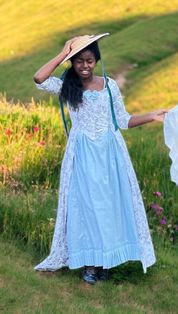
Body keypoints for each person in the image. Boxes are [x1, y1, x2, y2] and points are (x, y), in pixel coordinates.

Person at [33, 33, 168, 284]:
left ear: (97, 61)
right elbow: (39, 79)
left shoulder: (109, 86)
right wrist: (64, 52)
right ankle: (91, 263)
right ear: (72, 63)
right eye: (79, 61)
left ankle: (106, 260)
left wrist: (153, 116)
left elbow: (123, 120)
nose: (84, 66)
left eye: (90, 61)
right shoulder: (67, 86)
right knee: (87, 206)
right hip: (82, 154)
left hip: (110, 155)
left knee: (109, 207)